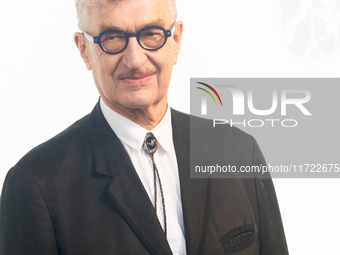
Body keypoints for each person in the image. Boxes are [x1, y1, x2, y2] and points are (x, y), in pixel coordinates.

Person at [0, 0, 288, 254]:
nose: (135, 60)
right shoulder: (36, 184)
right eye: (112, 38)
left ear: (175, 40)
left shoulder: (239, 152)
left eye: (151, 34)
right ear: (84, 50)